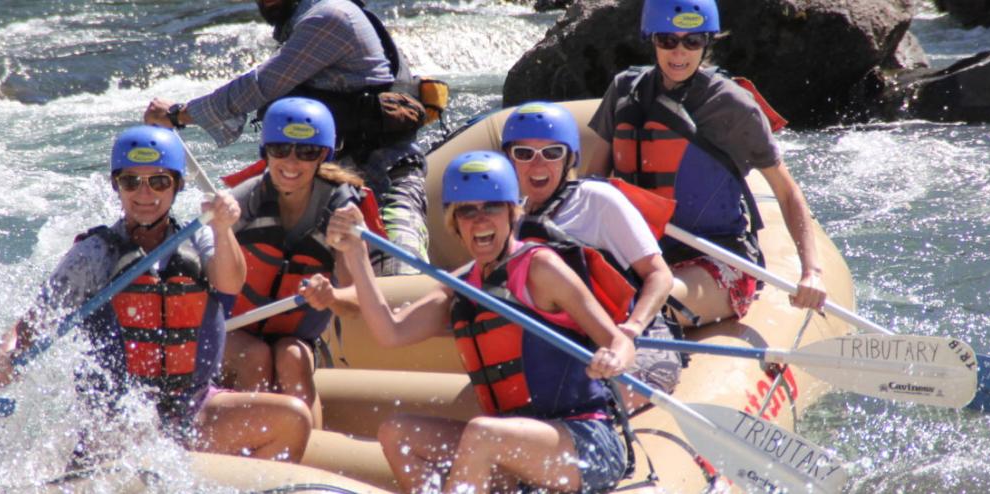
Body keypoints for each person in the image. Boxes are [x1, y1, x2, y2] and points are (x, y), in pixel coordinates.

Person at [0, 125, 312, 469]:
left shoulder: (200, 240)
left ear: (177, 186)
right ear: (116, 186)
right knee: (124, 436)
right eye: (131, 182)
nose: (145, 193)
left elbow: (230, 283)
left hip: (192, 407)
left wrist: (223, 228)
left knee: (292, 419)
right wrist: (6, 354)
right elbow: (34, 320)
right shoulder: (95, 254)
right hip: (118, 419)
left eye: (159, 181)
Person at [323, 151, 635, 493]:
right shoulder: (460, 286)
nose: (480, 220)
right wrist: (356, 254)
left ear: (512, 214)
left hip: (585, 445)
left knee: (483, 432)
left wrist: (613, 358)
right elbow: (390, 332)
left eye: (492, 207)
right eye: (468, 211)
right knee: (397, 432)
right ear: (455, 224)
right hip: (510, 450)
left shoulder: (540, 268)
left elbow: (619, 342)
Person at [583, 0, 828, 327]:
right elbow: (592, 181)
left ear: (707, 42)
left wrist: (811, 272)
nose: (679, 52)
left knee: (647, 303)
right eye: (667, 40)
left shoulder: (733, 105)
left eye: (692, 41)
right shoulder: (625, 90)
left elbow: (787, 192)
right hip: (641, 253)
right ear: (652, 39)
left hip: (716, 260)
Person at [143, 0, 429, 276]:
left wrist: (178, 114)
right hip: (323, 185)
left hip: (386, 178)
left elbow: (258, 86)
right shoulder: (304, 21)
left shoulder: (330, 17)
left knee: (398, 274)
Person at [500, 101, 684, 396]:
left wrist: (632, 330)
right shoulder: (512, 223)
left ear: (569, 158)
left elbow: (659, 275)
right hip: (565, 358)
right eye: (524, 154)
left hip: (635, 349)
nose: (537, 164)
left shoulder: (597, 200)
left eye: (551, 153)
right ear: (509, 160)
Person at [220, 97, 382, 424]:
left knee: (292, 356)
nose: (292, 162)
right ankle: (257, 449)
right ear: (266, 152)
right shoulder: (243, 202)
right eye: (280, 149)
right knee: (256, 355)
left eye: (307, 152)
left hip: (296, 336)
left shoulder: (342, 213)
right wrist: (218, 227)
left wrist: (331, 297)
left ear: (323, 155)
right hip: (230, 331)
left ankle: (308, 451)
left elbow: (357, 301)